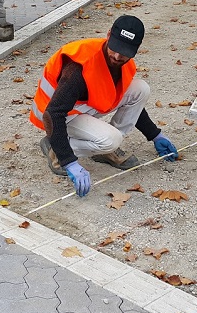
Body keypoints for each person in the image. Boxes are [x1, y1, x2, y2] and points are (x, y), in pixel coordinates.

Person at [30, 15, 179, 197]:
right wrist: (68, 160)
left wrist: (155, 135)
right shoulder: (79, 67)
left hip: (79, 107)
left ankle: (105, 151)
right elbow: (53, 114)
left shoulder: (124, 65)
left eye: (124, 52)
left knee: (141, 89)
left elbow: (123, 98)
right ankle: (56, 148)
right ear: (108, 35)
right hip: (54, 116)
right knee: (111, 140)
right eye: (115, 48)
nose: (117, 56)